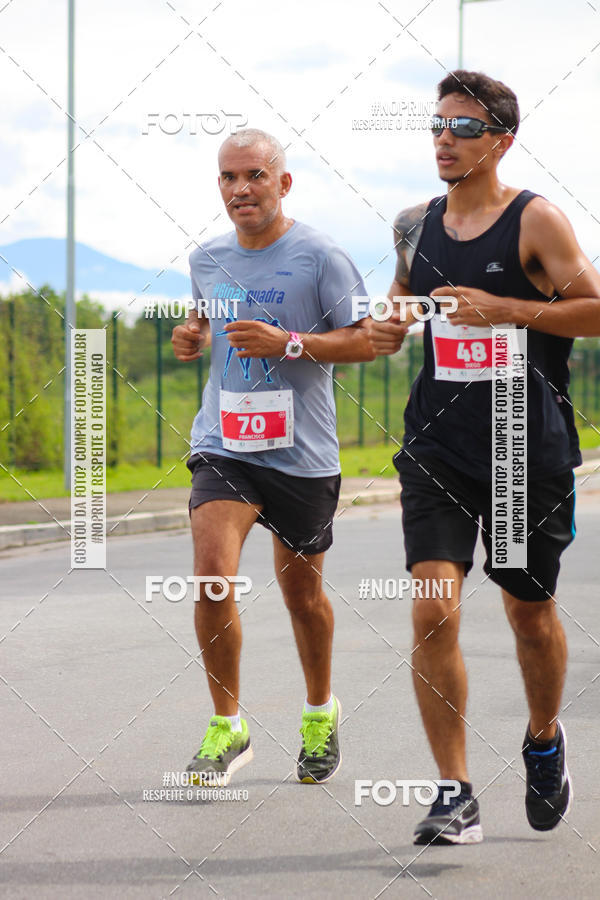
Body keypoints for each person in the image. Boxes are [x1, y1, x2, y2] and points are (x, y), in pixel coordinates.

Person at [369, 70, 600, 845]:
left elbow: (594, 308)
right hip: (436, 446)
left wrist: (509, 309)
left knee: (528, 615)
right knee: (433, 606)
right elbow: (404, 299)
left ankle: (542, 737)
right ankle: (454, 792)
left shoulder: (536, 222)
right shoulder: (412, 225)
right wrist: (389, 323)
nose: (444, 139)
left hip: (520, 450)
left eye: (462, 128)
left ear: (501, 139)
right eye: (437, 126)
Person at [171, 128, 374, 787]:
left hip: (302, 455)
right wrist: (194, 332)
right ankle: (227, 728)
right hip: (225, 445)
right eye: (228, 178)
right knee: (210, 575)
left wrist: (288, 344)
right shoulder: (205, 258)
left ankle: (320, 711)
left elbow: (368, 341)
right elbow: (208, 315)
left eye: (254, 175)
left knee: (302, 594)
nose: (240, 189)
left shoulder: (321, 256)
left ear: (283, 183)